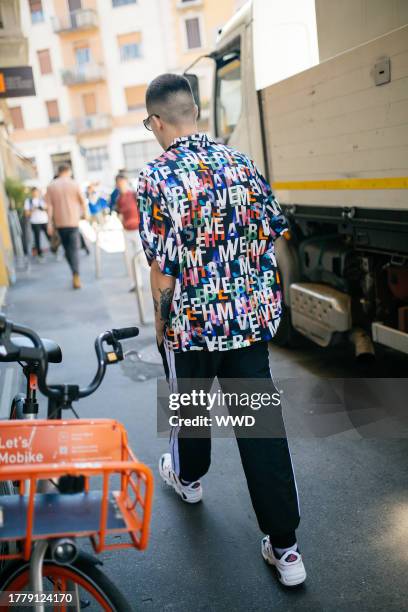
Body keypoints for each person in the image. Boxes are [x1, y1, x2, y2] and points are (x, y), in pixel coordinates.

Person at [138, 74, 306, 587]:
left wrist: (163, 327)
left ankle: (188, 479)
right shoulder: (240, 163)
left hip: (192, 325)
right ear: (194, 111)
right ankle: (287, 550)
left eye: (149, 125)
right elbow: (276, 236)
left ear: (159, 121)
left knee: (188, 409)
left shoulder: (156, 177)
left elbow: (162, 269)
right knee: (262, 433)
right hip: (248, 323)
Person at [45, 164, 87, 289]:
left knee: (67, 250)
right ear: (68, 171)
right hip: (73, 222)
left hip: (60, 223)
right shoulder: (74, 184)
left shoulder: (51, 186)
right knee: (73, 249)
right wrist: (85, 215)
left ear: (58, 172)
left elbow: (50, 207)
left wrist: (49, 224)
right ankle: (76, 274)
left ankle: (74, 273)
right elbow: (83, 202)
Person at [116, 174, 142, 291]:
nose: (121, 185)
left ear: (126, 182)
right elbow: (119, 213)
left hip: (138, 230)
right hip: (127, 231)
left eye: (122, 183)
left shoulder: (134, 194)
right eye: (119, 184)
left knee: (141, 256)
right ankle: (136, 283)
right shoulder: (119, 199)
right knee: (129, 258)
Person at [24, 186, 50, 261]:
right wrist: (32, 209)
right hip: (35, 222)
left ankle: (54, 249)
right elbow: (26, 214)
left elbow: (48, 208)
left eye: (37, 192)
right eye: (34, 192)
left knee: (49, 236)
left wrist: (42, 208)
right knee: (37, 239)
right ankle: (39, 254)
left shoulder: (42, 200)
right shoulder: (28, 201)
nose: (35, 193)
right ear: (32, 193)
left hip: (44, 221)